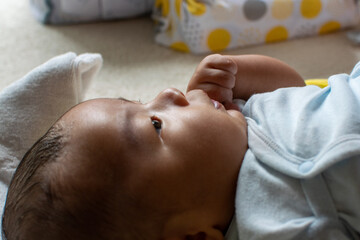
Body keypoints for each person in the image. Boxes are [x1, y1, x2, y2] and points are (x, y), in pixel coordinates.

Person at [2, 54, 360, 240]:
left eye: (144, 101)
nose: (169, 94)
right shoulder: (269, 225)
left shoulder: (238, 120)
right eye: (156, 125)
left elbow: (299, 88)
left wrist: (236, 73)